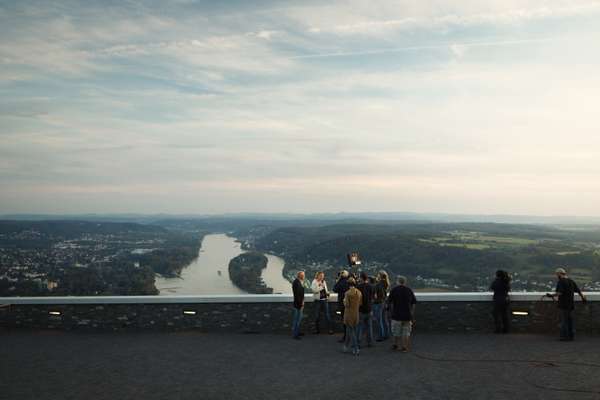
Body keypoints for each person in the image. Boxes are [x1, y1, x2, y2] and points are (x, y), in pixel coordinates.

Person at [546, 267, 586, 341]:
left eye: (557, 274)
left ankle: (564, 337)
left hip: (563, 304)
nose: (557, 276)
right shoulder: (571, 281)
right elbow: (578, 291)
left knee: (564, 321)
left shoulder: (561, 281)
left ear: (560, 274)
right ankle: (571, 336)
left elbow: (559, 293)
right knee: (570, 320)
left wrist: (551, 295)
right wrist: (583, 298)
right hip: (571, 304)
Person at [387, 276, 417, 353]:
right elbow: (414, 303)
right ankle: (404, 347)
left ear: (398, 282)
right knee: (406, 333)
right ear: (404, 282)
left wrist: (390, 311)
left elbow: (389, 302)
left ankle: (395, 345)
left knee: (396, 332)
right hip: (407, 316)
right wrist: (411, 313)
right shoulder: (409, 290)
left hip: (396, 315)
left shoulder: (394, 290)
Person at [342, 277, 362, 356]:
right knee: (350, 331)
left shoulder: (347, 293)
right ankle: (345, 346)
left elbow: (347, 304)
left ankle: (356, 348)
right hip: (356, 313)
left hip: (349, 314)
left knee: (351, 331)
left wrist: (343, 301)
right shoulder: (359, 292)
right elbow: (360, 303)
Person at [357, 272, 374, 347]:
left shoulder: (358, 287)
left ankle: (358, 342)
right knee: (369, 327)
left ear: (361, 278)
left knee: (360, 327)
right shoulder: (371, 286)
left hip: (361, 309)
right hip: (369, 308)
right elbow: (373, 297)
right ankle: (370, 342)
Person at [373, 270, 390, 341]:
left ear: (380, 275)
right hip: (384, 302)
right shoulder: (386, 283)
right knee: (384, 319)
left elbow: (379, 294)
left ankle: (381, 335)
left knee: (379, 320)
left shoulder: (379, 284)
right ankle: (387, 334)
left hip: (379, 303)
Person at [333, 270, 350, 342]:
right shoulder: (350, 282)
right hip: (350, 304)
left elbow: (334, 289)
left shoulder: (341, 282)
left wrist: (338, 280)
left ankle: (346, 337)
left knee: (345, 321)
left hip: (343, 304)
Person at [291, 271, 305, 340]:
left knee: (298, 319)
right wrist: (301, 303)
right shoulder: (296, 283)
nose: (303, 276)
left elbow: (300, 294)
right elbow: (297, 295)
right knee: (296, 319)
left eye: (303, 275)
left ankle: (297, 332)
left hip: (298, 303)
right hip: (297, 304)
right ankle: (295, 334)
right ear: (299, 276)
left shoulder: (299, 282)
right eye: (302, 275)